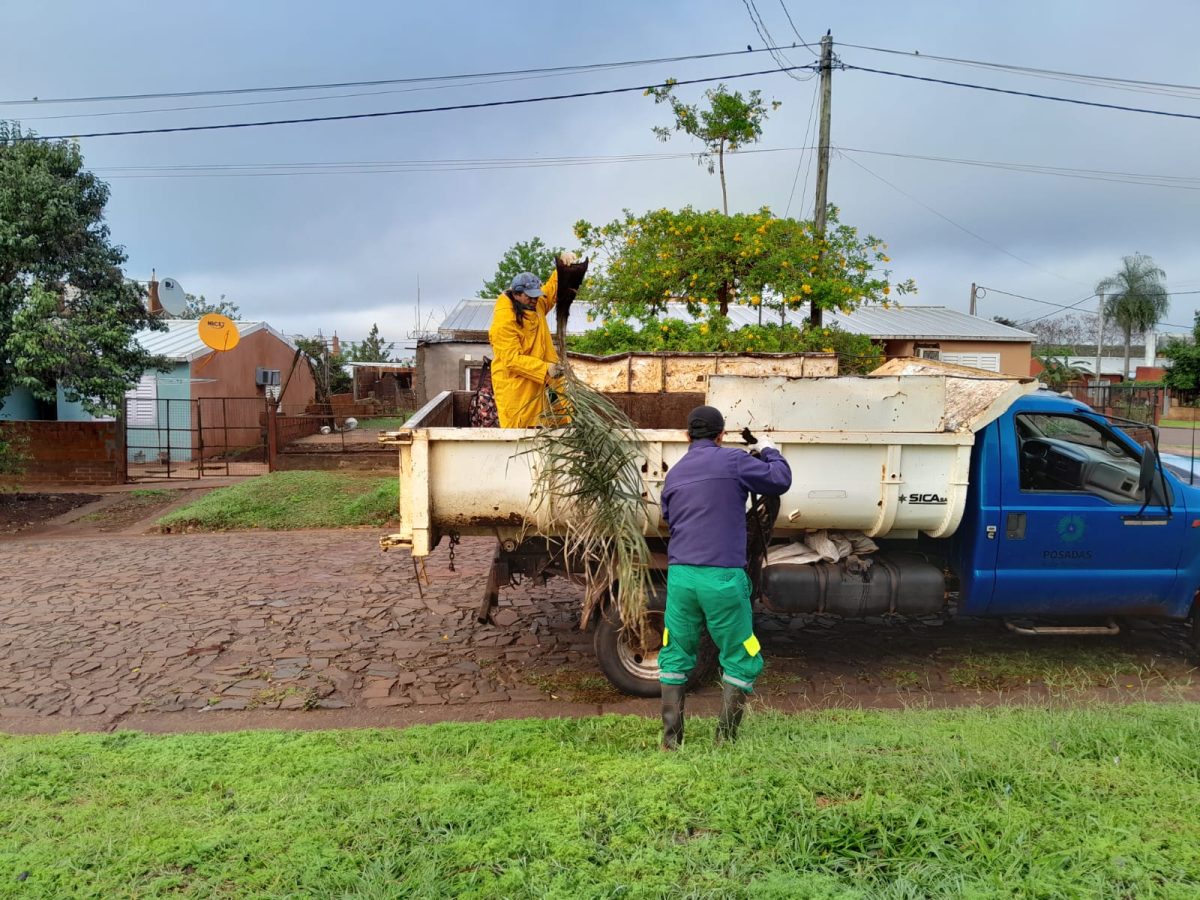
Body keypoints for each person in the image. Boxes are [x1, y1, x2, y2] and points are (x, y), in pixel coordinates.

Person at [657, 404, 792, 750]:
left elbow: (669, 516)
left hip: (681, 579)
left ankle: (671, 743)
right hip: (722, 579)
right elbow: (780, 481)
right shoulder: (733, 461)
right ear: (721, 436)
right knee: (741, 653)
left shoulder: (674, 473)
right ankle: (725, 740)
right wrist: (768, 449)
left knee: (675, 653)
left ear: (687, 436)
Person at [487, 252, 576, 428]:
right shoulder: (504, 321)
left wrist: (562, 268)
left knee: (553, 424)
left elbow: (551, 290)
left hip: (544, 382)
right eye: (530, 296)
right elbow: (511, 359)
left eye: (536, 295)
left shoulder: (536, 303)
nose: (535, 300)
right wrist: (545, 368)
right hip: (518, 389)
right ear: (516, 294)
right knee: (522, 436)